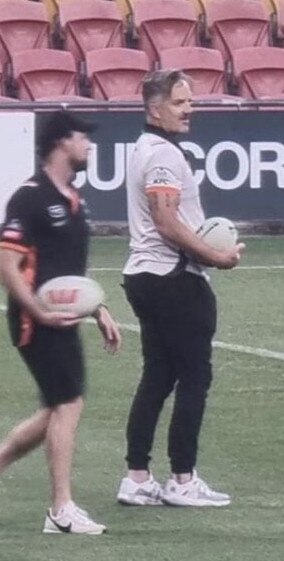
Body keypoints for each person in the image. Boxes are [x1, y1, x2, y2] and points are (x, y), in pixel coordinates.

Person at [116, 70, 244, 507]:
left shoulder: (145, 149)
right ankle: (182, 478)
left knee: (156, 377)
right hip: (172, 278)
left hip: (145, 275)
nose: (189, 109)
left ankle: (136, 477)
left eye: (190, 101)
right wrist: (215, 256)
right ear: (155, 109)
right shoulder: (164, 156)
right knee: (194, 377)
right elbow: (166, 221)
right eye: (179, 102)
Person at [0, 111, 121, 534]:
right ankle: (60, 510)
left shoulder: (73, 197)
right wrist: (37, 312)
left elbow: (70, 272)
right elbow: (7, 264)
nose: (89, 145)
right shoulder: (29, 198)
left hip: (63, 318)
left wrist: (98, 308)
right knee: (68, 405)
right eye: (82, 137)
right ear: (59, 143)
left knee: (56, 408)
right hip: (37, 322)